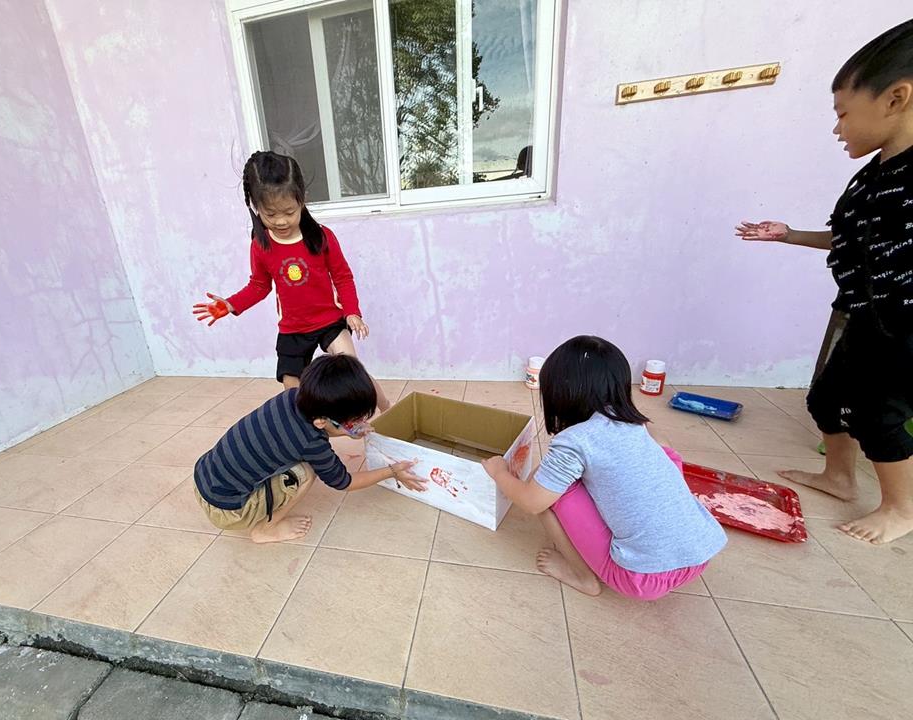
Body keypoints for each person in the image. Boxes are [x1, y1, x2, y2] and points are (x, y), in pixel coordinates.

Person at [737, 19, 913, 544]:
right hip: (863, 313)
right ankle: (838, 477)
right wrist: (790, 235)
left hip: (903, 325)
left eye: (843, 113)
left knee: (877, 413)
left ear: (896, 98)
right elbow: (849, 236)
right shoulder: (871, 174)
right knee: (826, 398)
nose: (838, 129)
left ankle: (901, 509)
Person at [481, 336, 726, 599]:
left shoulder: (575, 440)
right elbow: (660, 444)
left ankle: (583, 578)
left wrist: (500, 472)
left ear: (559, 393)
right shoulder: (634, 422)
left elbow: (532, 502)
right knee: (662, 454)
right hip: (700, 555)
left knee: (545, 488)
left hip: (641, 578)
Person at [192, 151, 390, 412]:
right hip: (293, 329)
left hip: (329, 320)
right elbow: (259, 286)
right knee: (292, 390)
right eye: (270, 214)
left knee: (352, 369)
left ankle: (388, 409)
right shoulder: (261, 245)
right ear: (256, 207)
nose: (281, 221)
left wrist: (352, 312)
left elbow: (342, 277)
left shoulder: (321, 237)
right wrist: (230, 304)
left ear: (302, 200)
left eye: (289, 211)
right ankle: (304, 431)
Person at [193, 355, 425, 544]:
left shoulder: (293, 396)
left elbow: (315, 428)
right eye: (352, 421)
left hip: (205, 477)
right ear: (321, 422)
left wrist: (346, 429)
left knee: (291, 457)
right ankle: (266, 530)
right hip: (228, 509)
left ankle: (264, 508)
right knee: (306, 472)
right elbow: (344, 482)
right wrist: (392, 471)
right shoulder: (311, 443)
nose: (358, 425)